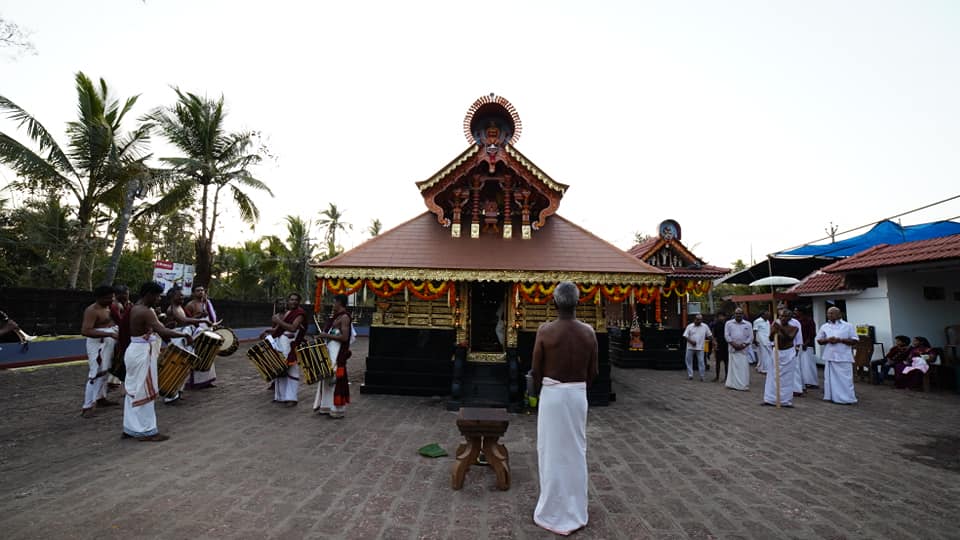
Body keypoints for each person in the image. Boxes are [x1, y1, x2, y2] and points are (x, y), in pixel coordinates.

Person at [531, 281, 597, 536]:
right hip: (578, 394)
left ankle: (551, 510)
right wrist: (577, 388)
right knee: (576, 451)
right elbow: (594, 373)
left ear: (554, 302)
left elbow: (536, 370)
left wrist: (539, 393)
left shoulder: (545, 331)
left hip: (553, 396)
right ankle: (576, 509)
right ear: (578, 302)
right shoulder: (589, 333)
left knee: (551, 452)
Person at [122, 281, 192, 441]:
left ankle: (130, 427)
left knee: (133, 390)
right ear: (149, 295)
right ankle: (147, 431)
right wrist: (183, 335)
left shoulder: (135, 308)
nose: (159, 299)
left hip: (134, 350)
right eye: (158, 296)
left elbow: (157, 328)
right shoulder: (146, 311)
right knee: (145, 390)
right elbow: (161, 330)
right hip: (141, 353)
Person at [162, 288, 211, 404]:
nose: (182, 297)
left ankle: (177, 392)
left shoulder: (180, 308)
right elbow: (183, 320)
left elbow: (185, 321)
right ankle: (170, 395)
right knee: (176, 367)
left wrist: (199, 318)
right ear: (172, 297)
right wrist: (200, 321)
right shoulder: (172, 309)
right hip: (177, 339)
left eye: (182, 296)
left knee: (184, 367)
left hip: (183, 337)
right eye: (180, 296)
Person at [80, 286, 120, 417]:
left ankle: (100, 398)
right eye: (109, 297)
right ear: (100, 298)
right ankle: (87, 406)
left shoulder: (111, 307)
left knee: (106, 370)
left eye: (113, 297)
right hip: (98, 344)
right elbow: (86, 331)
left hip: (109, 340)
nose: (112, 299)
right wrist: (108, 334)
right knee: (95, 373)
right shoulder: (92, 310)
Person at [260, 293, 307, 407]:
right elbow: (278, 329)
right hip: (281, 344)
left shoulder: (300, 314)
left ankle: (291, 398)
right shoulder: (288, 313)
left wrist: (278, 320)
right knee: (280, 370)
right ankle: (280, 397)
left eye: (296, 300)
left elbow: (292, 328)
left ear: (299, 302)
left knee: (292, 371)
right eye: (291, 299)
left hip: (291, 345)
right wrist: (267, 331)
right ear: (288, 301)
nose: (293, 302)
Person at [313, 294, 355, 418]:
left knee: (335, 379)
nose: (333, 305)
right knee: (326, 377)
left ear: (339, 303)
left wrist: (326, 335)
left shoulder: (345, 317)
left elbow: (344, 337)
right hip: (330, 350)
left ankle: (337, 409)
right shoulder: (335, 318)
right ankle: (326, 407)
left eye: (334, 302)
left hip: (337, 352)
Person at [816, 306, 859, 404]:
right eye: (828, 313)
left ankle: (847, 398)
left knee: (845, 379)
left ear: (839, 314)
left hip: (844, 356)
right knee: (831, 380)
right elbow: (819, 340)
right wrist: (827, 340)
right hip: (830, 356)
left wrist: (840, 340)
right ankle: (833, 397)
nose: (829, 315)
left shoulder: (848, 326)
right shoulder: (825, 326)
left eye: (832, 313)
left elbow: (855, 340)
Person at [184, 286, 218, 389]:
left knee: (209, 355)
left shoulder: (206, 303)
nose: (200, 292)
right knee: (199, 356)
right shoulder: (190, 305)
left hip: (208, 331)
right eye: (198, 291)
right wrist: (199, 317)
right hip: (198, 333)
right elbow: (186, 320)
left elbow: (212, 317)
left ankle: (207, 380)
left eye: (202, 290)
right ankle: (195, 382)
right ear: (193, 293)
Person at [764, 309, 799, 407]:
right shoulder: (775, 326)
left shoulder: (794, 327)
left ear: (790, 318)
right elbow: (771, 338)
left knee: (787, 378)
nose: (782, 318)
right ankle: (770, 399)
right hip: (777, 352)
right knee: (773, 375)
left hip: (788, 353)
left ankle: (785, 400)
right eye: (781, 316)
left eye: (785, 316)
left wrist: (781, 329)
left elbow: (790, 337)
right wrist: (773, 331)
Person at [107, 285, 132, 387]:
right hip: (115, 332)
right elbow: (120, 321)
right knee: (115, 357)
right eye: (126, 294)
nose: (127, 296)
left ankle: (114, 379)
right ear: (119, 295)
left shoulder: (125, 304)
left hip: (118, 331)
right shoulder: (115, 305)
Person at [724, 308, 753, 391]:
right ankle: (732, 384)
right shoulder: (728, 323)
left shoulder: (748, 324)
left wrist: (743, 345)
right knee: (733, 368)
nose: (738, 315)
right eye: (737, 313)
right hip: (733, 349)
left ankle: (742, 385)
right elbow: (727, 335)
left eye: (740, 313)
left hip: (743, 350)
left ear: (743, 314)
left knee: (743, 368)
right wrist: (734, 345)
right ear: (734, 314)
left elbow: (751, 337)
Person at [682, 314, 713, 381]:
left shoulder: (705, 326)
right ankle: (690, 375)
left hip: (700, 347)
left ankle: (702, 376)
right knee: (688, 361)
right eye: (697, 319)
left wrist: (713, 341)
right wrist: (691, 341)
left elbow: (709, 335)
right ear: (694, 319)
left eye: (700, 319)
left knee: (701, 362)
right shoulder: (690, 326)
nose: (699, 321)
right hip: (690, 347)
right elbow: (685, 335)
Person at [796, 308, 820, 390]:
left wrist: (806, 343)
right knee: (801, 364)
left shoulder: (809, 320)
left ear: (801, 311)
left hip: (807, 345)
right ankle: (804, 381)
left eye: (796, 310)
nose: (795, 312)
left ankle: (812, 381)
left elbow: (812, 334)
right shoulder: (797, 321)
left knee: (808, 364)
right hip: (799, 345)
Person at [710, 312, 728, 382]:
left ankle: (726, 377)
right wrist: (714, 343)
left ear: (725, 317)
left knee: (726, 362)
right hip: (718, 344)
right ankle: (717, 377)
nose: (721, 318)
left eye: (722, 316)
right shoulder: (715, 325)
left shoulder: (727, 324)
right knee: (717, 361)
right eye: (719, 316)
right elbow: (713, 335)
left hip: (726, 344)